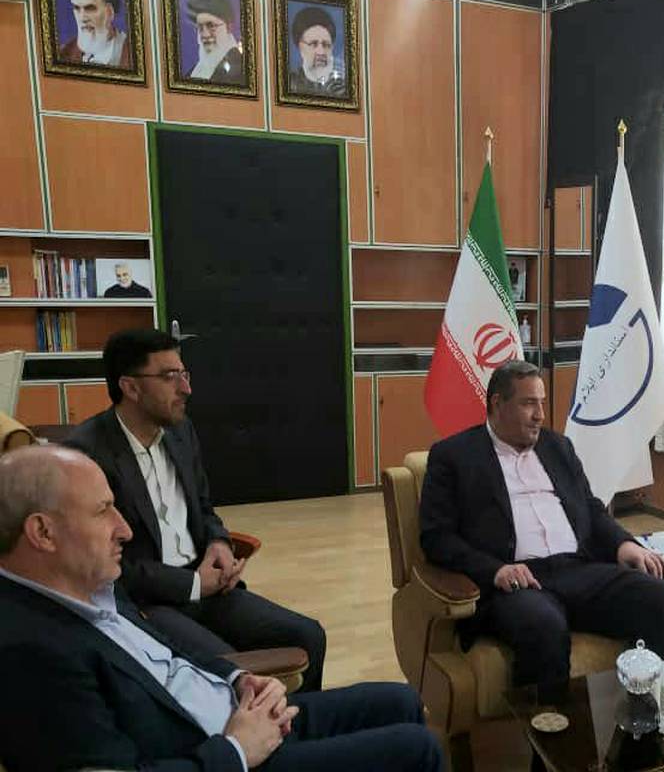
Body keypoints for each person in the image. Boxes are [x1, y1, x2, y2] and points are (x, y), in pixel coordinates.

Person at [0, 445, 444, 772]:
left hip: (235, 717)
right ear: (43, 532)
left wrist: (237, 678)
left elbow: (167, 655)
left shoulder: (90, 585)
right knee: (416, 749)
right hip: (223, 754)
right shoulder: (29, 651)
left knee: (400, 700)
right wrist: (235, 750)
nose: (124, 529)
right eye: (103, 511)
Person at [65, 329, 327, 691]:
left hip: (208, 585)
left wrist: (219, 544)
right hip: (148, 602)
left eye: (184, 374)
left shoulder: (180, 431)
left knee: (307, 635)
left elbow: (204, 507)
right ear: (131, 387)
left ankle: (299, 723)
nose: (186, 388)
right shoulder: (87, 454)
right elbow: (101, 564)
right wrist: (191, 584)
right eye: (169, 377)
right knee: (229, 670)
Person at [420, 360, 664, 688]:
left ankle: (650, 707)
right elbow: (437, 537)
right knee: (543, 626)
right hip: (518, 582)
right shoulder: (454, 457)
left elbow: (591, 509)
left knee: (661, 599)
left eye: (542, 403)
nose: (540, 415)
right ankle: (550, 720)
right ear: (497, 404)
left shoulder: (558, 447)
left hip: (579, 569)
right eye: (528, 404)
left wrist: (623, 544)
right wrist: (495, 571)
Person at [58, 0, 132, 67]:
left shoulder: (130, 53)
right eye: (77, 8)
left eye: (90, 8)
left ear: (109, 12)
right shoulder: (65, 53)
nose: (82, 18)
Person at [185, 0, 244, 84]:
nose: (205, 34)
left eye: (211, 26)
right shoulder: (192, 73)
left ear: (229, 27)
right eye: (200, 27)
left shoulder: (240, 68)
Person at [287, 6, 346, 97]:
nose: (321, 52)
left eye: (326, 45)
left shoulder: (343, 87)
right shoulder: (290, 83)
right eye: (313, 44)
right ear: (300, 47)